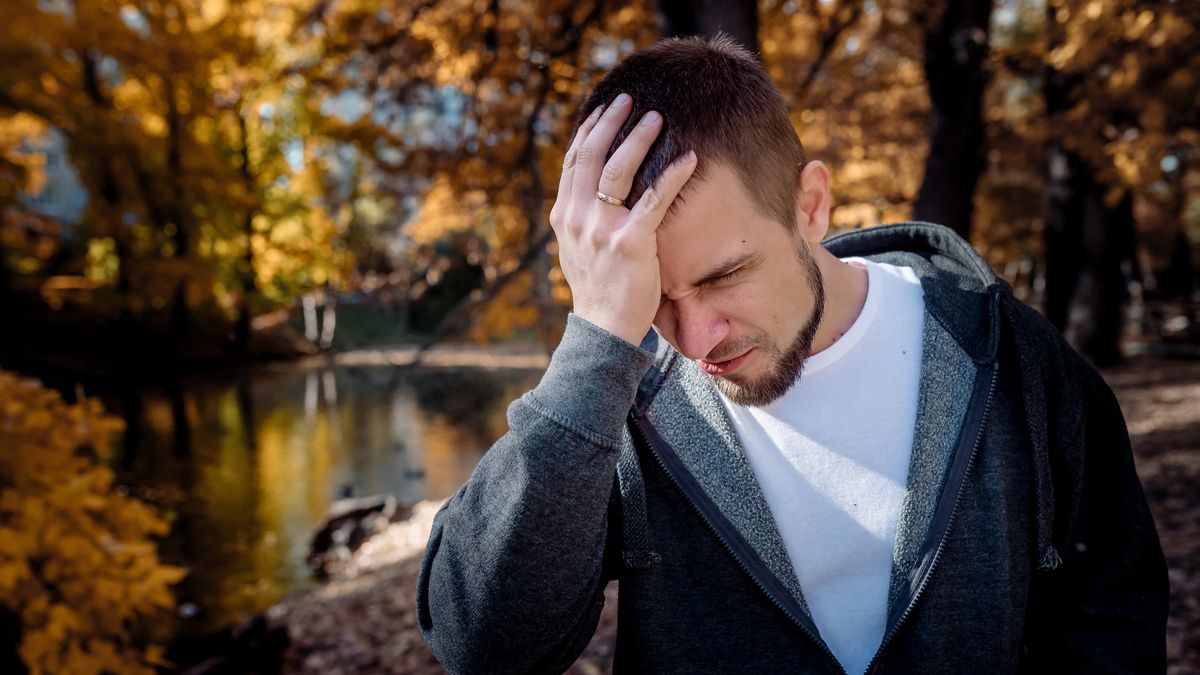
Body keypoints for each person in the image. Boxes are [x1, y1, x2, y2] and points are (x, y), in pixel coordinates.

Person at [416, 35, 1168, 674]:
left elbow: (1113, 610)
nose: (699, 336)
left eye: (724, 275)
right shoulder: (623, 396)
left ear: (810, 206)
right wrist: (599, 335)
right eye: (655, 298)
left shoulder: (1010, 358)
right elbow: (482, 643)